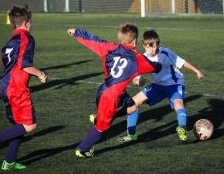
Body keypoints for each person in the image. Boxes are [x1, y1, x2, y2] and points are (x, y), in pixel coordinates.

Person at [67, 23, 161, 158]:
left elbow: (93, 40)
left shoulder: (109, 47)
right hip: (111, 98)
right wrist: (158, 62)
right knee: (101, 127)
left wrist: (76, 32)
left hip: (104, 90)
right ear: (134, 41)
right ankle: (82, 149)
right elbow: (155, 67)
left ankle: (100, 117)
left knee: (132, 108)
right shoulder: (137, 58)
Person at [118, 29, 203, 142]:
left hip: (174, 84)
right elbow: (136, 77)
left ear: (158, 45)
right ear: (143, 46)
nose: (152, 50)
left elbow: (182, 62)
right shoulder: (143, 58)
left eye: (154, 46)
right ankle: (131, 134)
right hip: (158, 86)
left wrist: (196, 71)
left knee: (178, 103)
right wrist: (138, 80)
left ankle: (182, 128)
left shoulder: (166, 52)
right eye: (148, 47)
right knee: (133, 103)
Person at [0, 5, 48, 170]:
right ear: (26, 23)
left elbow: (5, 60)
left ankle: (9, 161)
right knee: (30, 125)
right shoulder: (27, 38)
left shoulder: (9, 42)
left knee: (19, 125)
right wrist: (40, 74)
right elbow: (24, 65)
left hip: (6, 86)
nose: (31, 25)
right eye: (30, 22)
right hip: (16, 88)